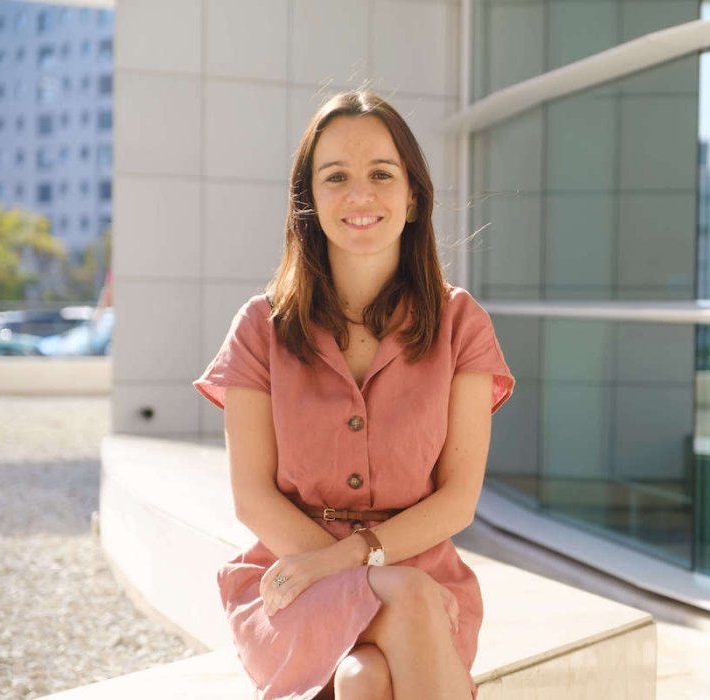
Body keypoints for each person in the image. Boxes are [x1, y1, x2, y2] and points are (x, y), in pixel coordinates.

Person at [193, 90, 514, 700]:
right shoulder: (260, 328)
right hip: (291, 581)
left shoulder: (461, 324)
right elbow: (253, 498)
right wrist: (339, 569)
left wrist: (351, 560)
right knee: (409, 606)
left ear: (413, 195)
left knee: (364, 677)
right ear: (309, 200)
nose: (359, 194)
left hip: (418, 571)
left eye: (381, 175)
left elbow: (458, 500)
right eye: (335, 176)